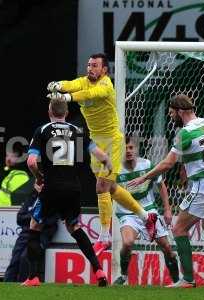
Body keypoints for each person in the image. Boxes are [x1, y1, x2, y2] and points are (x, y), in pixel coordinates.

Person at [46, 53, 157, 254]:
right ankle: (146, 216)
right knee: (111, 188)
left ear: (104, 69)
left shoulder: (106, 86)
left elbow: (88, 95)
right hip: (96, 141)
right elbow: (70, 84)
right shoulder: (83, 81)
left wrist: (67, 97)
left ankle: (104, 237)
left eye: (95, 65)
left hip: (112, 141)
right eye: (88, 65)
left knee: (101, 187)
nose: (90, 68)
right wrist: (56, 85)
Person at [128, 94, 204, 288]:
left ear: (180, 111)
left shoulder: (184, 133)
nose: (170, 116)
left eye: (171, 113)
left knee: (178, 229)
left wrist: (144, 177)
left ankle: (187, 280)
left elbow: (168, 164)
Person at [22, 99, 111, 287]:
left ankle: (33, 277)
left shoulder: (43, 130)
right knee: (75, 228)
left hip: (52, 188)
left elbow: (31, 162)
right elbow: (101, 155)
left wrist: (39, 177)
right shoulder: (77, 130)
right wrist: (108, 166)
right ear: (66, 113)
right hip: (73, 189)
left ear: (49, 112)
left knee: (34, 226)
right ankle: (99, 270)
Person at [113, 136, 179, 285]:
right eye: (125, 148)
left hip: (148, 211)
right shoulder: (116, 169)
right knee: (128, 242)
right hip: (127, 213)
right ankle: (123, 275)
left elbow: (161, 185)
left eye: (131, 148)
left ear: (136, 149)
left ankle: (177, 281)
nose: (128, 151)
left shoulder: (147, 165)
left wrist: (167, 209)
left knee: (167, 247)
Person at [4, 183, 58, 282]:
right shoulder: (32, 197)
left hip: (42, 235)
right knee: (15, 260)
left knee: (25, 258)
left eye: (42, 184)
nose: (39, 186)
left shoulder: (52, 200)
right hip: (25, 233)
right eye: (38, 183)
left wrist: (32, 217)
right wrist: (34, 217)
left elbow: (49, 220)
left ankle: (24, 286)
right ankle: (6, 286)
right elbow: (19, 217)